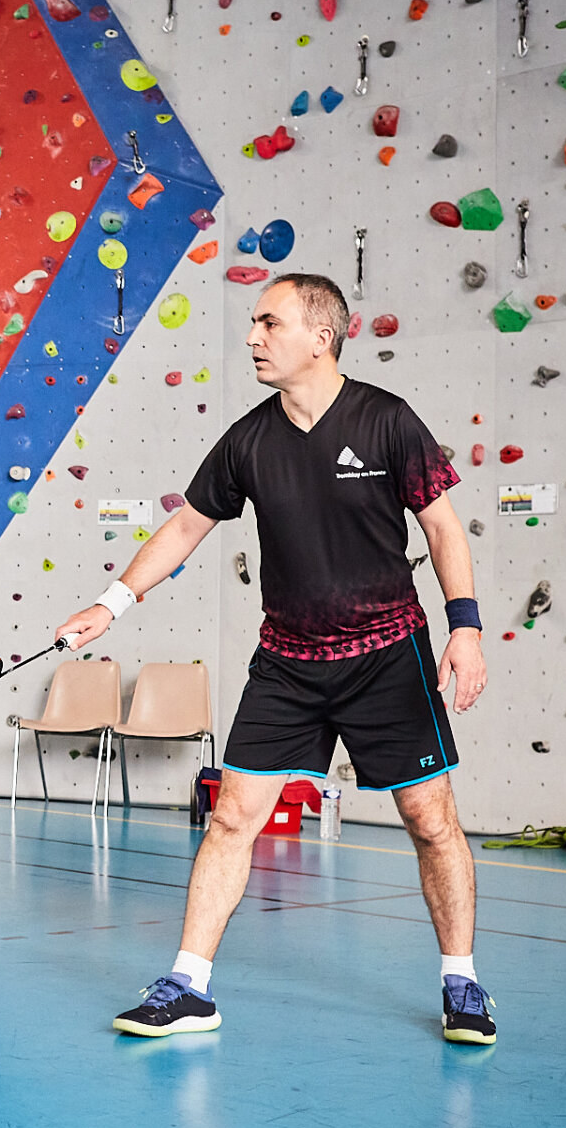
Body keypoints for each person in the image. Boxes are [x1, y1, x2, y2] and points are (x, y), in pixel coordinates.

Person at [56, 274, 494, 1045]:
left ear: (321, 337)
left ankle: (461, 982)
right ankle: (188, 987)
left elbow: (442, 527)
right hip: (288, 662)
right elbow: (185, 527)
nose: (253, 337)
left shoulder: (387, 420)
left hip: (386, 655)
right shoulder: (248, 440)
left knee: (431, 822)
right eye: (254, 324)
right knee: (232, 817)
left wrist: (466, 628)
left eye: (270, 323)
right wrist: (113, 602)